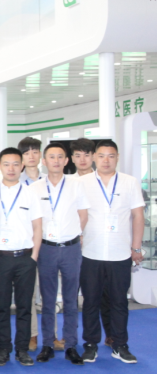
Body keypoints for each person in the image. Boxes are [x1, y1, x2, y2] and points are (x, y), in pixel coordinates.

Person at [78, 140, 145, 364]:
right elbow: (76, 214)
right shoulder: (82, 183)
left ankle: (120, 345)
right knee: (90, 302)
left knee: (119, 302)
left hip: (120, 253)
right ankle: (90, 344)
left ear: (117, 158)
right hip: (90, 252)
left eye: (111, 156)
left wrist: (136, 247)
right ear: (94, 158)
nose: (106, 160)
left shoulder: (129, 182)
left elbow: (138, 216)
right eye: (102, 155)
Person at [30, 143, 89, 366]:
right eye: (51, 157)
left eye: (60, 157)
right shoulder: (34, 188)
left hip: (71, 248)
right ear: (44, 161)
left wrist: (74, 234)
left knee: (71, 300)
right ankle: (47, 344)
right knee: (47, 300)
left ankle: (71, 344)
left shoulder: (77, 185)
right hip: (46, 248)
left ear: (66, 161)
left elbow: (83, 215)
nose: (55, 161)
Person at [0, 147, 43, 367]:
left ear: (22, 166)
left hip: (25, 258)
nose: (11, 168)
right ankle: (3, 349)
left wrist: (34, 257)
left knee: (24, 306)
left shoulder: (31, 193)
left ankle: (22, 349)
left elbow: (37, 227)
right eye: (6, 164)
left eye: (15, 164)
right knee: (0, 306)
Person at [69, 138, 113, 346]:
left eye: (87, 155)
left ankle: (111, 333)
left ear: (93, 157)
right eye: (78, 155)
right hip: (73, 246)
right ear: (72, 159)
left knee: (103, 293)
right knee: (74, 295)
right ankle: (74, 338)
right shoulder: (68, 183)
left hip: (99, 245)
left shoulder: (104, 180)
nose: (83, 160)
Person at [18, 136, 44, 352]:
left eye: (35, 151)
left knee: (50, 294)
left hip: (52, 241)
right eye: (27, 153)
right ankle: (32, 334)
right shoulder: (16, 183)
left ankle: (53, 335)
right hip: (28, 244)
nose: (32, 156)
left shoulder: (50, 179)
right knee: (30, 294)